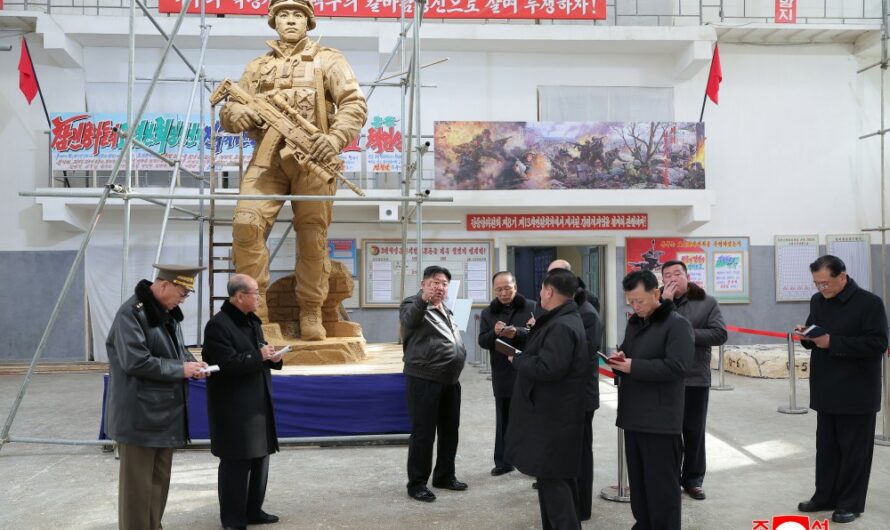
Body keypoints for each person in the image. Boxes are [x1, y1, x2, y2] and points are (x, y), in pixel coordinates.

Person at [220, 0, 368, 339]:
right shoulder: (257, 67)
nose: (290, 20)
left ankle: (312, 310)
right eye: (283, 14)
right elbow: (233, 107)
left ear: (309, 21)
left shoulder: (329, 59)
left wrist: (333, 139)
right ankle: (255, 314)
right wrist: (234, 116)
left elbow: (354, 104)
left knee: (313, 238)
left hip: (313, 159)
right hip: (267, 161)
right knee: (246, 224)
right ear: (273, 21)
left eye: (297, 14)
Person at [104, 264, 208, 530]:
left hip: (163, 415)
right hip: (140, 416)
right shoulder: (131, 315)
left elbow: (177, 350)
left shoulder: (165, 313)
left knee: (158, 484)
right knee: (137, 490)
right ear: (164, 286)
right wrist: (180, 369)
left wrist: (193, 365)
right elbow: (136, 362)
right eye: (182, 293)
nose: (183, 300)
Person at [796, 255, 888, 524]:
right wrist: (808, 337)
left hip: (857, 390)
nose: (821, 289)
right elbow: (817, 333)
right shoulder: (818, 301)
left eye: (825, 283)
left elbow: (878, 343)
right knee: (826, 448)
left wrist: (832, 342)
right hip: (826, 387)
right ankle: (824, 495)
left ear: (842, 277)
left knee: (854, 452)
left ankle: (850, 503)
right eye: (816, 284)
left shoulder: (869, 303)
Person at [607, 270, 693, 530]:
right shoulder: (635, 322)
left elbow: (678, 367)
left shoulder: (677, 324)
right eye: (630, 301)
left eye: (640, 301)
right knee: (640, 484)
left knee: (662, 488)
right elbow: (630, 354)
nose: (635, 306)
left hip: (660, 419)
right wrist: (620, 358)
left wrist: (634, 367)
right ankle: (643, 524)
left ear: (657, 293)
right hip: (633, 415)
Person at [505, 268, 589, 530]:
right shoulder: (559, 319)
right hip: (553, 415)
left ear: (550, 291)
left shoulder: (562, 325)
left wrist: (517, 359)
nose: (540, 294)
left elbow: (549, 368)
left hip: (553, 418)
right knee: (553, 482)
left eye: (542, 289)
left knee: (556, 486)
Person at [202, 274, 284, 530]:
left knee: (260, 459)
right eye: (256, 293)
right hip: (234, 407)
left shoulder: (252, 321)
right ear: (240, 296)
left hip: (258, 402)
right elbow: (225, 365)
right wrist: (257, 355)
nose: (259, 297)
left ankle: (253, 510)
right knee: (236, 464)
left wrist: (272, 356)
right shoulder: (218, 326)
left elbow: (258, 352)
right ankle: (233, 519)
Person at [660, 260, 727, 501]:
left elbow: (719, 334)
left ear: (687, 277)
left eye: (677, 273)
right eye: (667, 274)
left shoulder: (706, 302)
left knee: (693, 431)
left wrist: (685, 333)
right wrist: (665, 306)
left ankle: (693, 480)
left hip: (695, 377)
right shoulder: (657, 302)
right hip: (665, 378)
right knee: (668, 431)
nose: (672, 278)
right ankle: (670, 479)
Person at [400, 265, 468, 502]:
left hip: (450, 380)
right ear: (423, 284)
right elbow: (410, 321)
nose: (440, 287)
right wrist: (422, 300)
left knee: (450, 432)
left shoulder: (446, 309)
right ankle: (417, 483)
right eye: (435, 282)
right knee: (423, 434)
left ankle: (444, 476)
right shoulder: (412, 304)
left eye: (444, 284)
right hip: (424, 379)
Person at [547, 259, 603, 521]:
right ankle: (566, 499)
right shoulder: (558, 309)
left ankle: (581, 507)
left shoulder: (587, 312)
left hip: (580, 394)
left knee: (581, 451)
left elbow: (579, 358)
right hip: (561, 394)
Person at [477, 271, 536, 476]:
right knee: (503, 419)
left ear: (515, 286)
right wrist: (494, 333)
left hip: (528, 370)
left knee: (530, 419)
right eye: (499, 289)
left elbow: (541, 336)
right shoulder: (488, 313)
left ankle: (532, 463)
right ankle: (503, 462)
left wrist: (518, 332)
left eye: (507, 288)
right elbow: (483, 341)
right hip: (502, 371)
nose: (503, 293)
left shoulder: (532, 307)